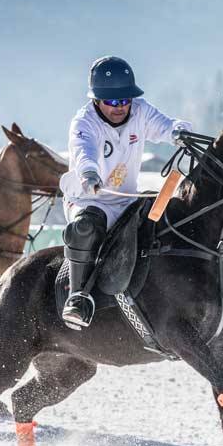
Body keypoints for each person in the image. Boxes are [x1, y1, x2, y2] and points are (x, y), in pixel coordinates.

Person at [59, 56, 192, 329]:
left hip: (126, 199)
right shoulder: (84, 122)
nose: (120, 107)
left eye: (125, 100)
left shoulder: (141, 111)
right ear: (96, 100)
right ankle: (78, 297)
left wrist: (180, 131)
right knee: (84, 228)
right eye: (111, 102)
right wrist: (89, 173)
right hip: (88, 197)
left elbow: (166, 126)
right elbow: (85, 153)